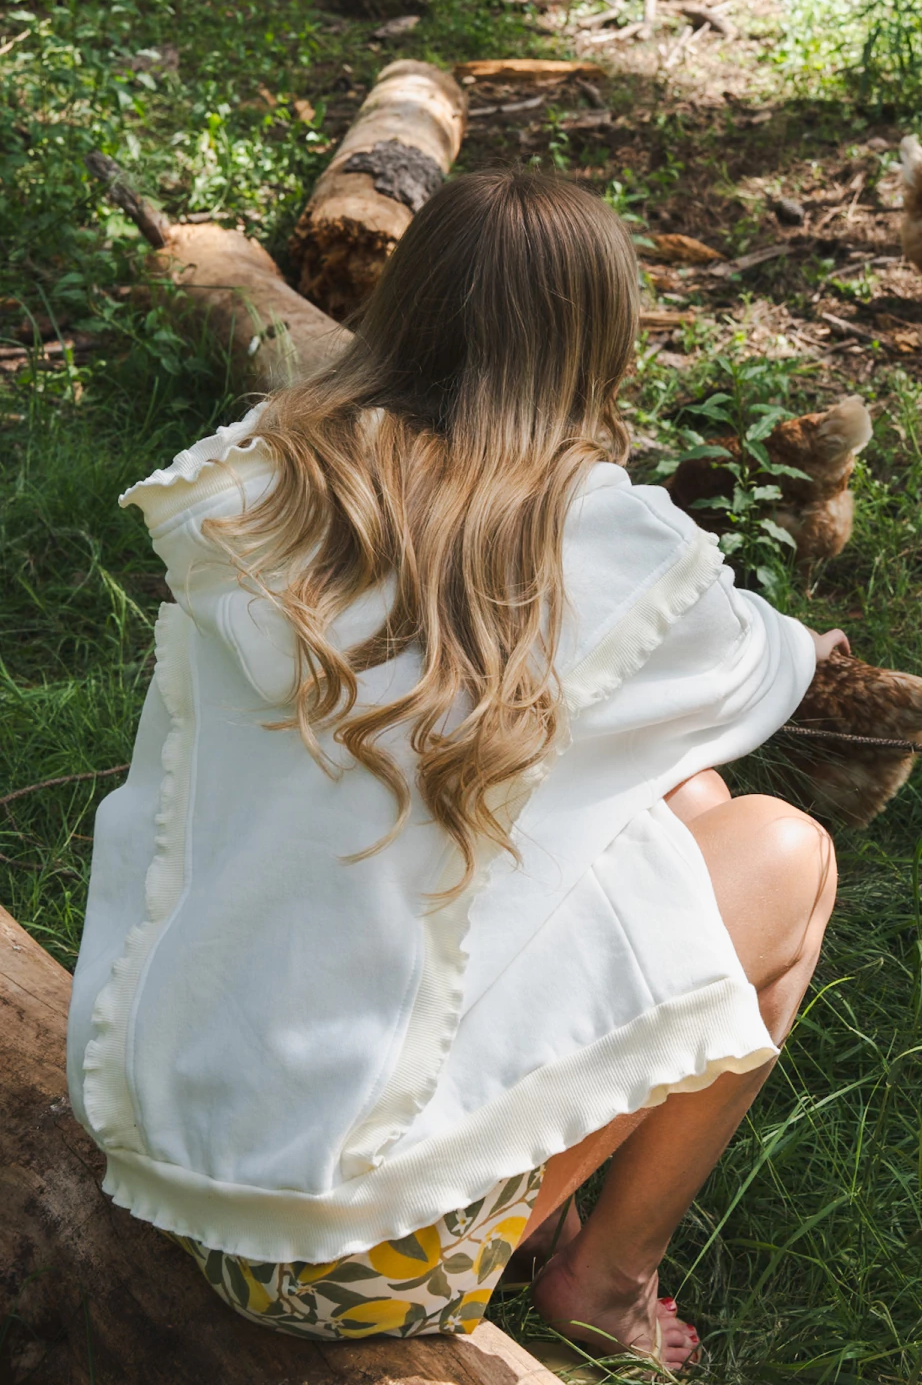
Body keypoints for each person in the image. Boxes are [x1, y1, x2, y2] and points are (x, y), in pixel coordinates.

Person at [67, 171, 842, 1372]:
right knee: (784, 852)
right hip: (352, 1259)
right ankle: (604, 1276)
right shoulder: (609, 537)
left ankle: (533, 1202)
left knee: (659, 788)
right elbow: (760, 674)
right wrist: (815, 650)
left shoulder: (265, 474)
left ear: (408, 303)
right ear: (600, 340)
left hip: (165, 1153)